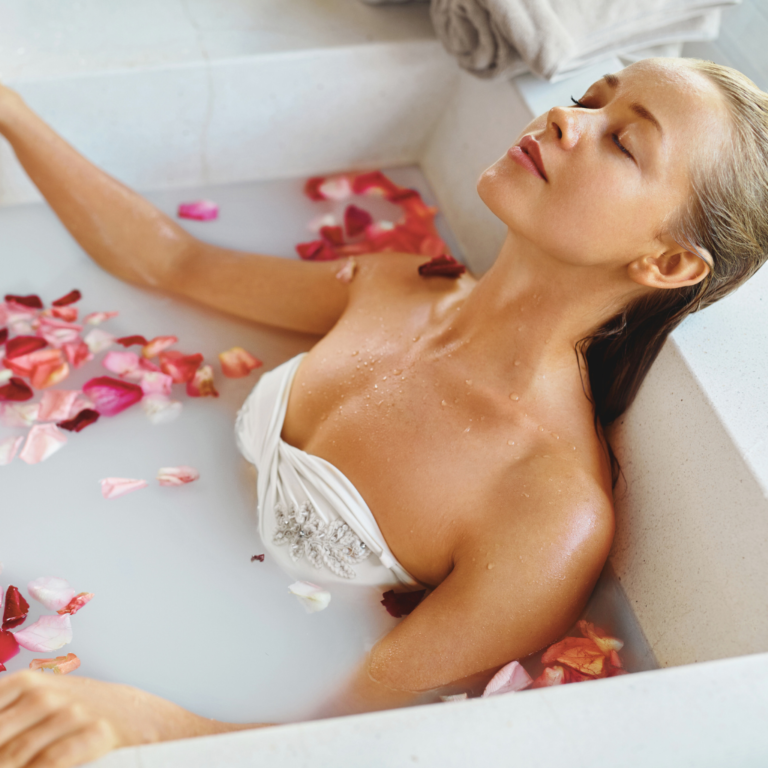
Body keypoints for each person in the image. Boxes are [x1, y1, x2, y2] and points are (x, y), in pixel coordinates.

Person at [0, 55, 766, 767]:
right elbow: (170, 261)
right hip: (82, 587)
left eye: (623, 142)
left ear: (666, 263)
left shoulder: (545, 508)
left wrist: (155, 728)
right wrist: (12, 109)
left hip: (147, 700)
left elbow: (361, 736)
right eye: (586, 99)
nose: (568, 121)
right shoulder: (398, 285)